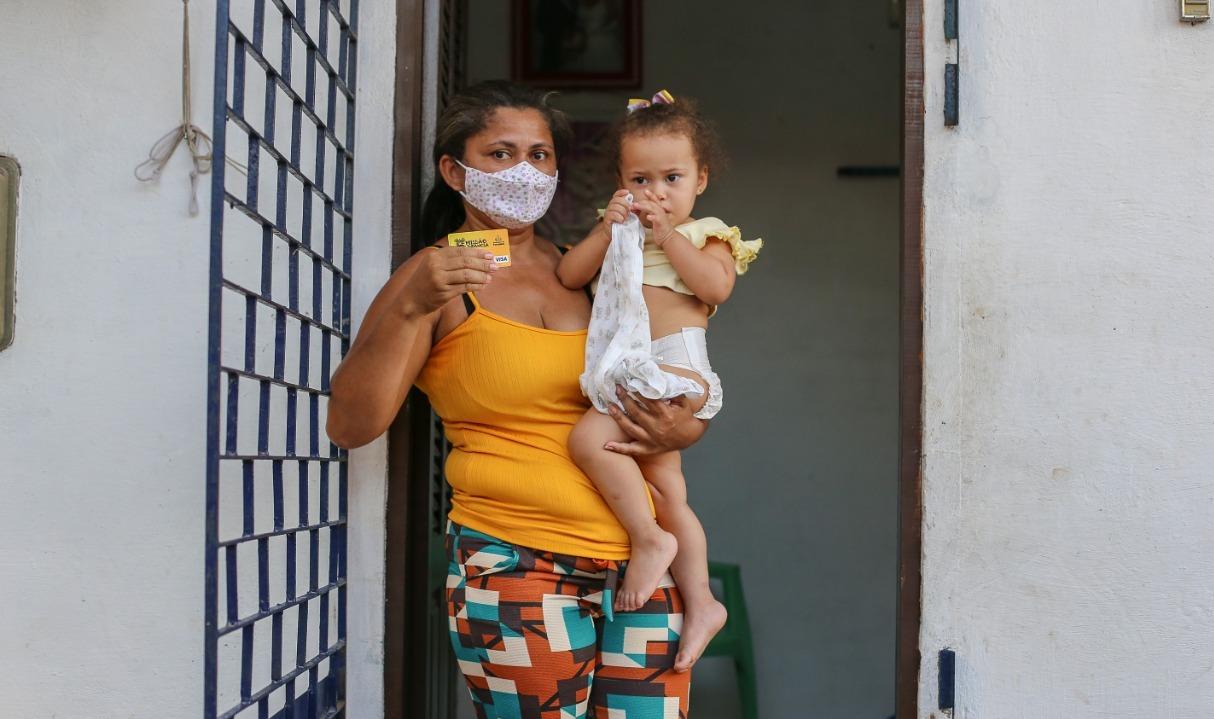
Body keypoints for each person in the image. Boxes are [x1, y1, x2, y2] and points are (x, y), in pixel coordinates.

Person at [326, 80, 707, 717]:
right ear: (455, 170)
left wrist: (680, 433)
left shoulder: (587, 268)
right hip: (515, 564)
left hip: (641, 561)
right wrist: (413, 307)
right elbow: (351, 424)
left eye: (540, 155)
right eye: (501, 154)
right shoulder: (439, 273)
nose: (525, 171)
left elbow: (662, 390)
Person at [557, 91, 762, 672]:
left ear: (700, 178)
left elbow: (715, 289)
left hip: (673, 364)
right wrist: (606, 228)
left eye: (671, 177)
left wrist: (669, 234)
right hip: (627, 365)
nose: (656, 192)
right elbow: (569, 273)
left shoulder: (707, 233)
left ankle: (648, 539)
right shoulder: (618, 229)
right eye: (640, 179)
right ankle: (701, 602)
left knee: (586, 441)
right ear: (621, 182)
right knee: (671, 494)